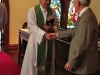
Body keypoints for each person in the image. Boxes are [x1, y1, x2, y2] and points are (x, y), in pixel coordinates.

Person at [51, 0, 100, 75]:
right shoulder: (86, 15)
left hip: (85, 66)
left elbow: (82, 45)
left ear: (78, 3)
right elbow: (75, 30)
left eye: (74, 2)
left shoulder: (86, 19)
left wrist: (71, 62)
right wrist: (57, 34)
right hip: (84, 65)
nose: (73, 4)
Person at [20, 0, 59, 75]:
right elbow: (31, 26)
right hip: (36, 42)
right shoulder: (32, 11)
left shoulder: (53, 11)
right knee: (34, 65)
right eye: (46, 0)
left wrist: (52, 28)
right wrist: (44, 34)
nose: (48, 2)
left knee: (48, 64)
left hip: (49, 42)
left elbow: (56, 25)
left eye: (49, 0)